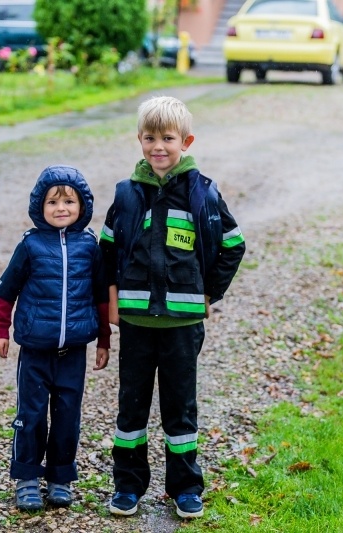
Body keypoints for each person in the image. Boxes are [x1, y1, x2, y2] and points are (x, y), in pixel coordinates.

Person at [99, 96, 246, 519]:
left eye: (167, 138)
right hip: (136, 322)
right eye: (150, 138)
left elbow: (233, 245)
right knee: (131, 407)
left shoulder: (202, 193)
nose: (158, 147)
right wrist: (112, 302)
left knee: (180, 408)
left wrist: (208, 293)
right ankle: (128, 486)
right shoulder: (127, 195)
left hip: (182, 325)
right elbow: (106, 251)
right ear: (139, 140)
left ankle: (185, 488)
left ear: (186, 141)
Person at [0, 165, 111, 511]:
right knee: (30, 414)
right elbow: (6, 290)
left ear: (82, 206)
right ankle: (27, 477)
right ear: (39, 206)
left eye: (69, 202)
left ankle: (60, 477)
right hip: (35, 349)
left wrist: (104, 340)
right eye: (53, 202)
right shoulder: (30, 245)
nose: (61, 208)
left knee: (67, 416)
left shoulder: (90, 246)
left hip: (74, 351)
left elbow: (101, 296)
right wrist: (0, 330)